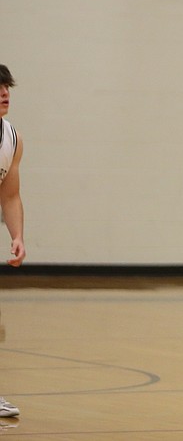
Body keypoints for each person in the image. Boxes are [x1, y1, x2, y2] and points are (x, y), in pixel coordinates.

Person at [0, 65, 27, 420]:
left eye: (6, 86)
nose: (4, 93)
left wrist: (17, 235)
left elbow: (9, 196)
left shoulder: (12, 138)